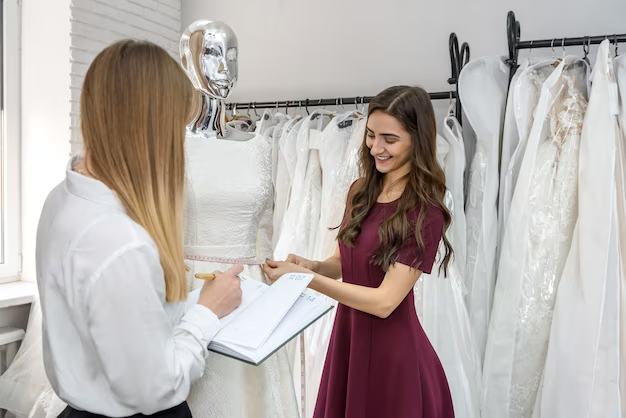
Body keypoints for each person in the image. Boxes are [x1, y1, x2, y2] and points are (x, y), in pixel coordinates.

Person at [36, 40, 243, 418]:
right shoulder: (119, 243)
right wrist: (207, 312)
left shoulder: (61, 199)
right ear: (152, 129)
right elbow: (156, 388)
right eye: (177, 125)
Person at [263, 86, 456, 418]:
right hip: (349, 344)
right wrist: (312, 265)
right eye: (370, 135)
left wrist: (307, 279)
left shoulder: (425, 212)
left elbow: (384, 303)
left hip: (394, 357)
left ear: (417, 139)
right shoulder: (361, 191)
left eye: (389, 139)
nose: (376, 147)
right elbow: (345, 263)